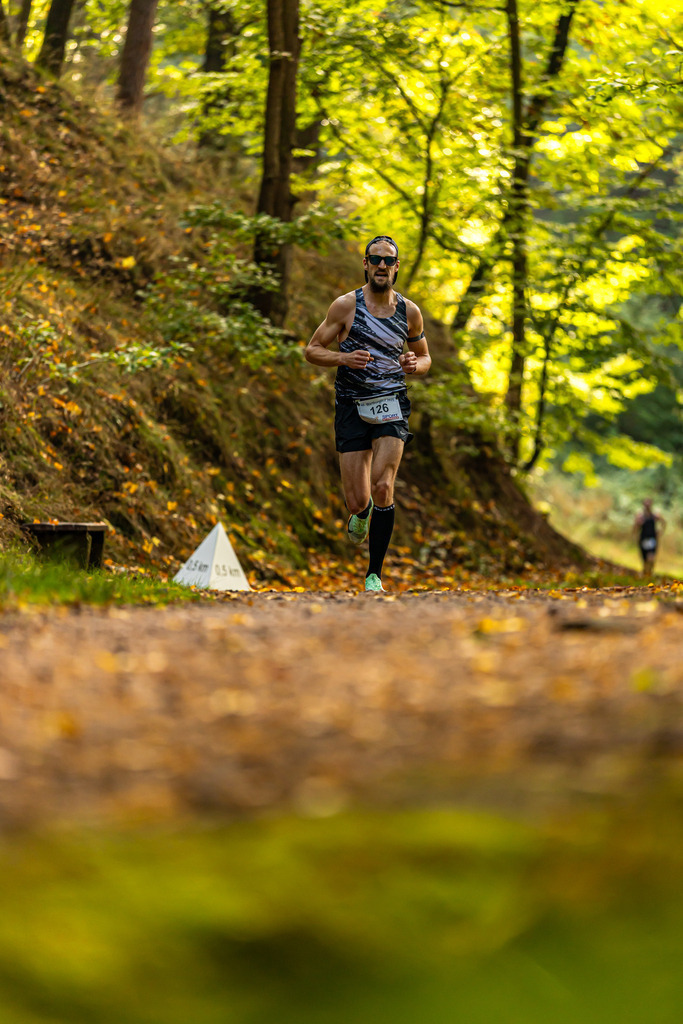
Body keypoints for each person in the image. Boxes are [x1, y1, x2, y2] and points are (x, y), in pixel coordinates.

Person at [304, 235, 431, 592]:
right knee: (359, 498)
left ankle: (374, 574)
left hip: (391, 401)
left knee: (383, 484)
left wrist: (413, 365)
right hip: (351, 404)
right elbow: (312, 350)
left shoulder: (410, 312)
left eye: (387, 261)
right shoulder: (345, 306)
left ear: (396, 267)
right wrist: (343, 358)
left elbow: (424, 357)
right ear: (365, 263)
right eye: (375, 259)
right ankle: (362, 514)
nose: (381, 266)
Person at [634, 498, 666, 577]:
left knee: (651, 557)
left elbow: (663, 522)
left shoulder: (655, 515)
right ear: (643, 505)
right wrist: (637, 525)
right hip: (643, 539)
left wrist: (660, 532)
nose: (647, 506)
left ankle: (650, 572)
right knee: (645, 558)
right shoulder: (640, 516)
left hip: (652, 539)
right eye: (646, 504)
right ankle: (645, 572)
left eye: (649, 504)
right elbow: (635, 528)